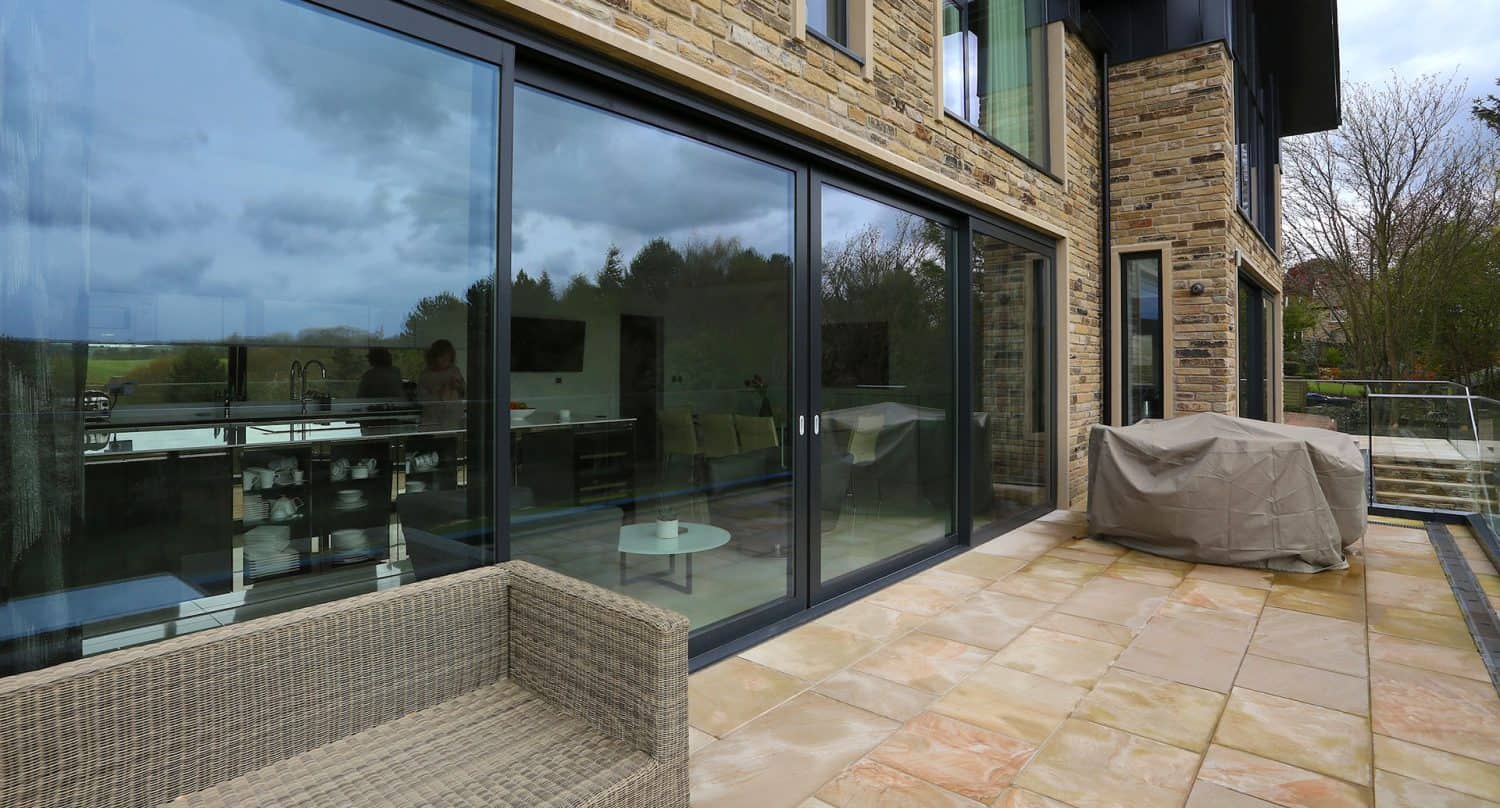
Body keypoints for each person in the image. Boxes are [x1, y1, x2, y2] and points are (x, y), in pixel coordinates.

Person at [418, 339, 466, 428]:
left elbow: (464, 392)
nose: (445, 361)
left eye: (448, 358)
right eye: (442, 357)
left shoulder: (454, 371)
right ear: (433, 357)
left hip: (453, 420)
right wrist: (439, 394)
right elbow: (421, 400)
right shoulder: (426, 375)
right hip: (432, 421)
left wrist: (458, 387)